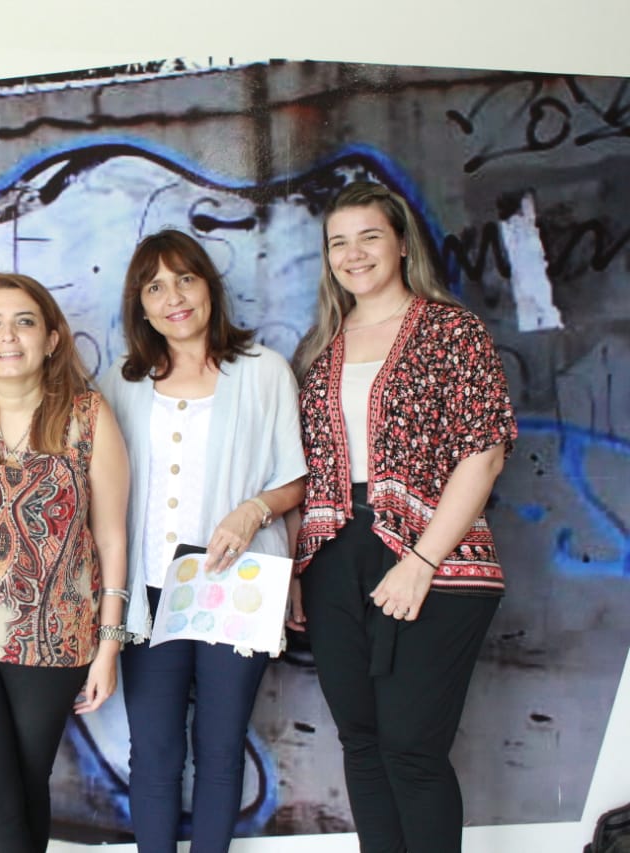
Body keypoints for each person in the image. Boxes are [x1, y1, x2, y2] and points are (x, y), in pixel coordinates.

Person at [289, 180, 517, 853]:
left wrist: (421, 562)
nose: (353, 253)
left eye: (369, 236)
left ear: (400, 244)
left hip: (436, 556)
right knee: (362, 743)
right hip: (334, 554)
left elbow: (485, 452)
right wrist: (299, 568)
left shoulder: (451, 330)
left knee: (412, 747)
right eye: (338, 242)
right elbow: (309, 470)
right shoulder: (321, 347)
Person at [98, 230, 306, 852]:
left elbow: (295, 478)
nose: (174, 298)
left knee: (220, 747)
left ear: (208, 286)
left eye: (185, 279)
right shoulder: (122, 383)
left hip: (236, 587)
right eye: (155, 287)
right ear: (140, 306)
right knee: (154, 751)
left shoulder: (263, 372)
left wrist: (252, 511)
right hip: (149, 592)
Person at [0, 273, 129, 853]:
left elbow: (111, 539)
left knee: (24, 794)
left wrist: (109, 645)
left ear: (52, 339)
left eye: (25, 322)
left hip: (53, 638)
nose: (8, 336)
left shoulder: (87, 416)